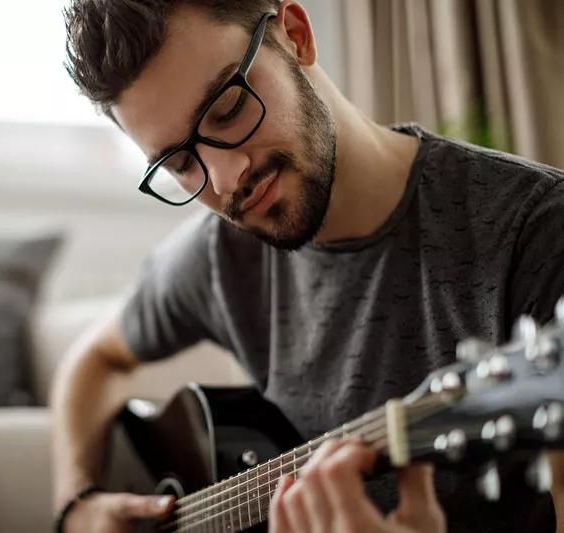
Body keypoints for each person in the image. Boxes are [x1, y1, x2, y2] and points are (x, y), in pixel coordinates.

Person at [52, 1, 564, 531]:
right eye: (180, 163)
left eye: (228, 107)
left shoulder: (536, 232)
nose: (226, 179)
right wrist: (75, 505)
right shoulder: (215, 256)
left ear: (295, 35)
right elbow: (92, 362)